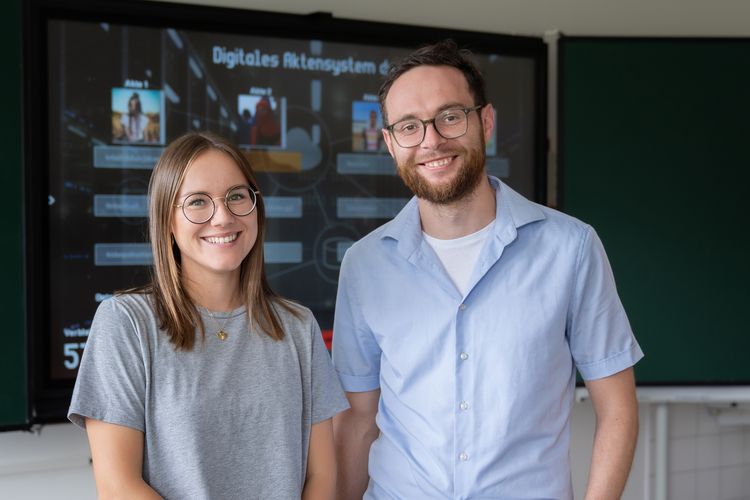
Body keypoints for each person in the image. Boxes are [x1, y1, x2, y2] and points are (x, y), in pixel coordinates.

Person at [332, 40, 643, 499]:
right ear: (391, 145)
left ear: (486, 121)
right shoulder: (364, 265)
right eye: (409, 127)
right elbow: (358, 420)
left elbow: (617, 408)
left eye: (450, 116)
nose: (431, 140)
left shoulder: (571, 247)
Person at [68, 131, 348, 499]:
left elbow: (322, 476)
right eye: (198, 202)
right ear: (167, 220)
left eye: (236, 196)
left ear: (256, 208)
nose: (223, 217)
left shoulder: (298, 326)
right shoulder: (125, 323)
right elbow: (118, 486)